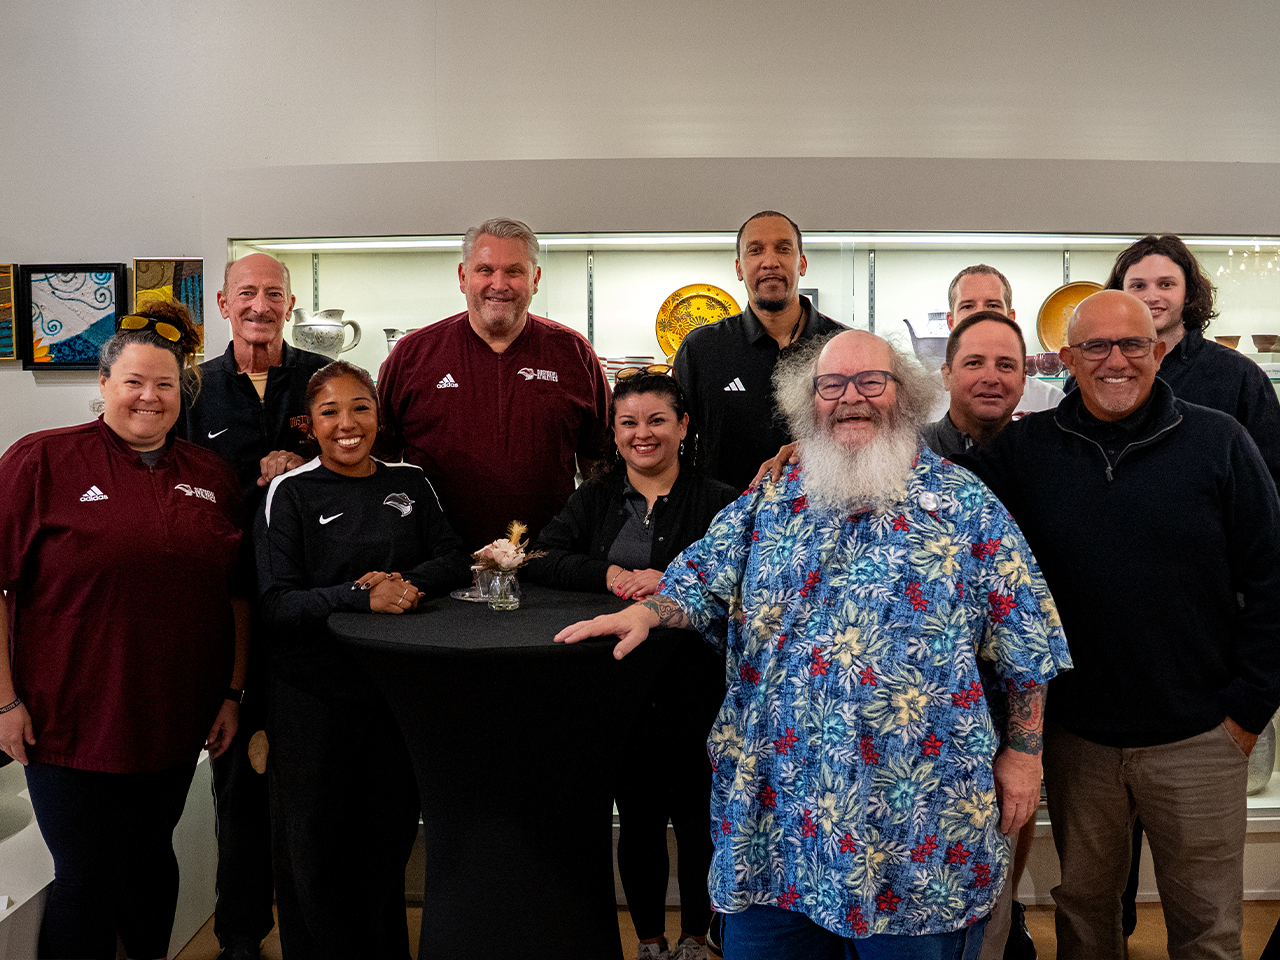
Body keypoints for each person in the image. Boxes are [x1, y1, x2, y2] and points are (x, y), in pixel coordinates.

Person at [558, 330, 1071, 960]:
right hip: (778, 819)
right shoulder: (769, 498)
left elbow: (1026, 641)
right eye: (832, 385)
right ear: (811, 401)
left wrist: (1023, 755)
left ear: (904, 396)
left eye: (869, 382)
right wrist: (650, 611)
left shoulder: (967, 506)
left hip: (918, 831)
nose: (850, 398)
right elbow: (701, 577)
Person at [972, 290, 1280, 960]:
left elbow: (1272, 578)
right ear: (1067, 361)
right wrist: (806, 451)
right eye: (1096, 347)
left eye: (1132, 345)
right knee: (1084, 913)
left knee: (1207, 926)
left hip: (1200, 736)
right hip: (1080, 739)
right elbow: (932, 486)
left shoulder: (1219, 441)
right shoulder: (1028, 449)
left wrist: (1248, 710)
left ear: (1160, 351)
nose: (1116, 361)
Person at [0, 303, 248, 960]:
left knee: (148, 863)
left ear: (180, 393)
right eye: (134, 381)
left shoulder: (211, 478)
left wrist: (229, 691)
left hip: (171, 716)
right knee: (84, 876)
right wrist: (3, 701)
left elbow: (235, 595)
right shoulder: (39, 462)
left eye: (164, 384)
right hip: (66, 718)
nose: (149, 396)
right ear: (105, 384)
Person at [256, 360, 471, 960]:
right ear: (308, 424)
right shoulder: (290, 491)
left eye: (360, 408)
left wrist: (403, 584)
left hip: (394, 694)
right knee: (315, 849)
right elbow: (277, 602)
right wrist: (358, 596)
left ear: (380, 415)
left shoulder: (412, 481)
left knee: (385, 843)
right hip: (312, 697)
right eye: (330, 411)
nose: (347, 424)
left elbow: (452, 558)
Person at [525, 367, 737, 960]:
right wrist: (609, 575)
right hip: (620, 689)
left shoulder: (721, 501)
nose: (643, 434)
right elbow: (541, 556)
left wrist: (675, 582)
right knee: (639, 820)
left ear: (683, 426)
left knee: (702, 823)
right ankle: (648, 941)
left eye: (657, 421)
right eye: (628, 423)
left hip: (702, 687)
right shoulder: (593, 498)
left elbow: (744, 581)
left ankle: (698, 936)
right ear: (614, 433)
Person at [178, 252, 330, 960]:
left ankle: (314, 928)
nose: (260, 305)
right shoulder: (193, 390)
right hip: (222, 617)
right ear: (223, 303)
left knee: (312, 784)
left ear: (291, 303)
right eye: (247, 293)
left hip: (311, 614)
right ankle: (240, 931)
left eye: (273, 293)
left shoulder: (322, 384)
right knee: (236, 783)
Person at [377, 217, 611, 549]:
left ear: (535, 279)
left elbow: (599, 462)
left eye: (514, 272)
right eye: (485, 270)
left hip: (551, 562)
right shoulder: (412, 355)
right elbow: (378, 461)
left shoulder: (573, 353)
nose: (498, 284)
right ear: (462, 277)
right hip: (438, 563)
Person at [673, 210, 845, 492]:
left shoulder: (844, 345)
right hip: (725, 524)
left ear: (801, 263)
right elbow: (678, 448)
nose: (770, 262)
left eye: (783, 249)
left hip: (826, 523)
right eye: (755, 251)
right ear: (739, 268)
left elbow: (876, 436)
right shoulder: (701, 350)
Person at [927, 265, 1064, 423]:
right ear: (951, 322)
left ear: (1010, 318)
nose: (981, 314)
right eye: (967, 306)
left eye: (993, 305)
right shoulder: (924, 400)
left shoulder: (1050, 402)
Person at [922, 310, 1028, 458]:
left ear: (1023, 380)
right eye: (974, 363)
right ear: (947, 376)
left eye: (1005, 366)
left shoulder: (1045, 454)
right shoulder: (911, 450)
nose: (991, 379)